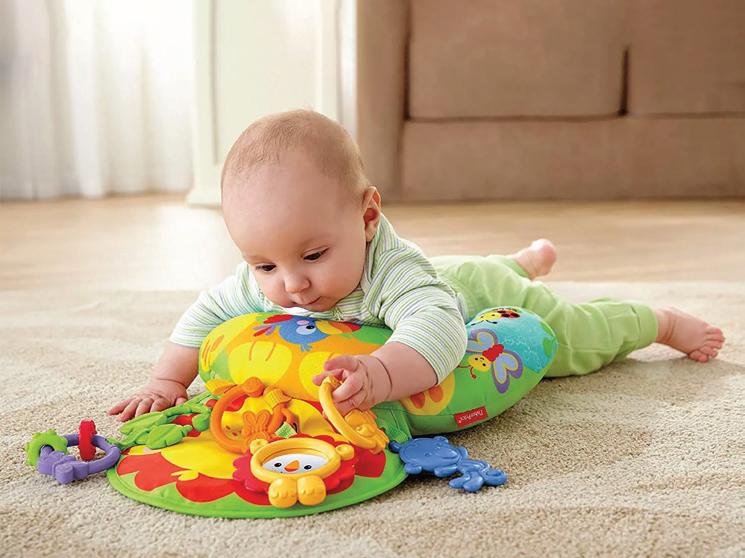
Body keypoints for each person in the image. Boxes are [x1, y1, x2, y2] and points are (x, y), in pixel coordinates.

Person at [108, 109, 726, 423]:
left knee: (574, 340)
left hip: (480, 300)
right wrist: (167, 380)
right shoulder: (271, 278)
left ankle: (657, 320)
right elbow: (205, 313)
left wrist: (381, 375)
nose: (291, 285)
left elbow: (439, 329)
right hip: (453, 272)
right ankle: (521, 259)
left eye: (314, 256)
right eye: (264, 264)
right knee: (466, 271)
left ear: (367, 217)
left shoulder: (395, 274)